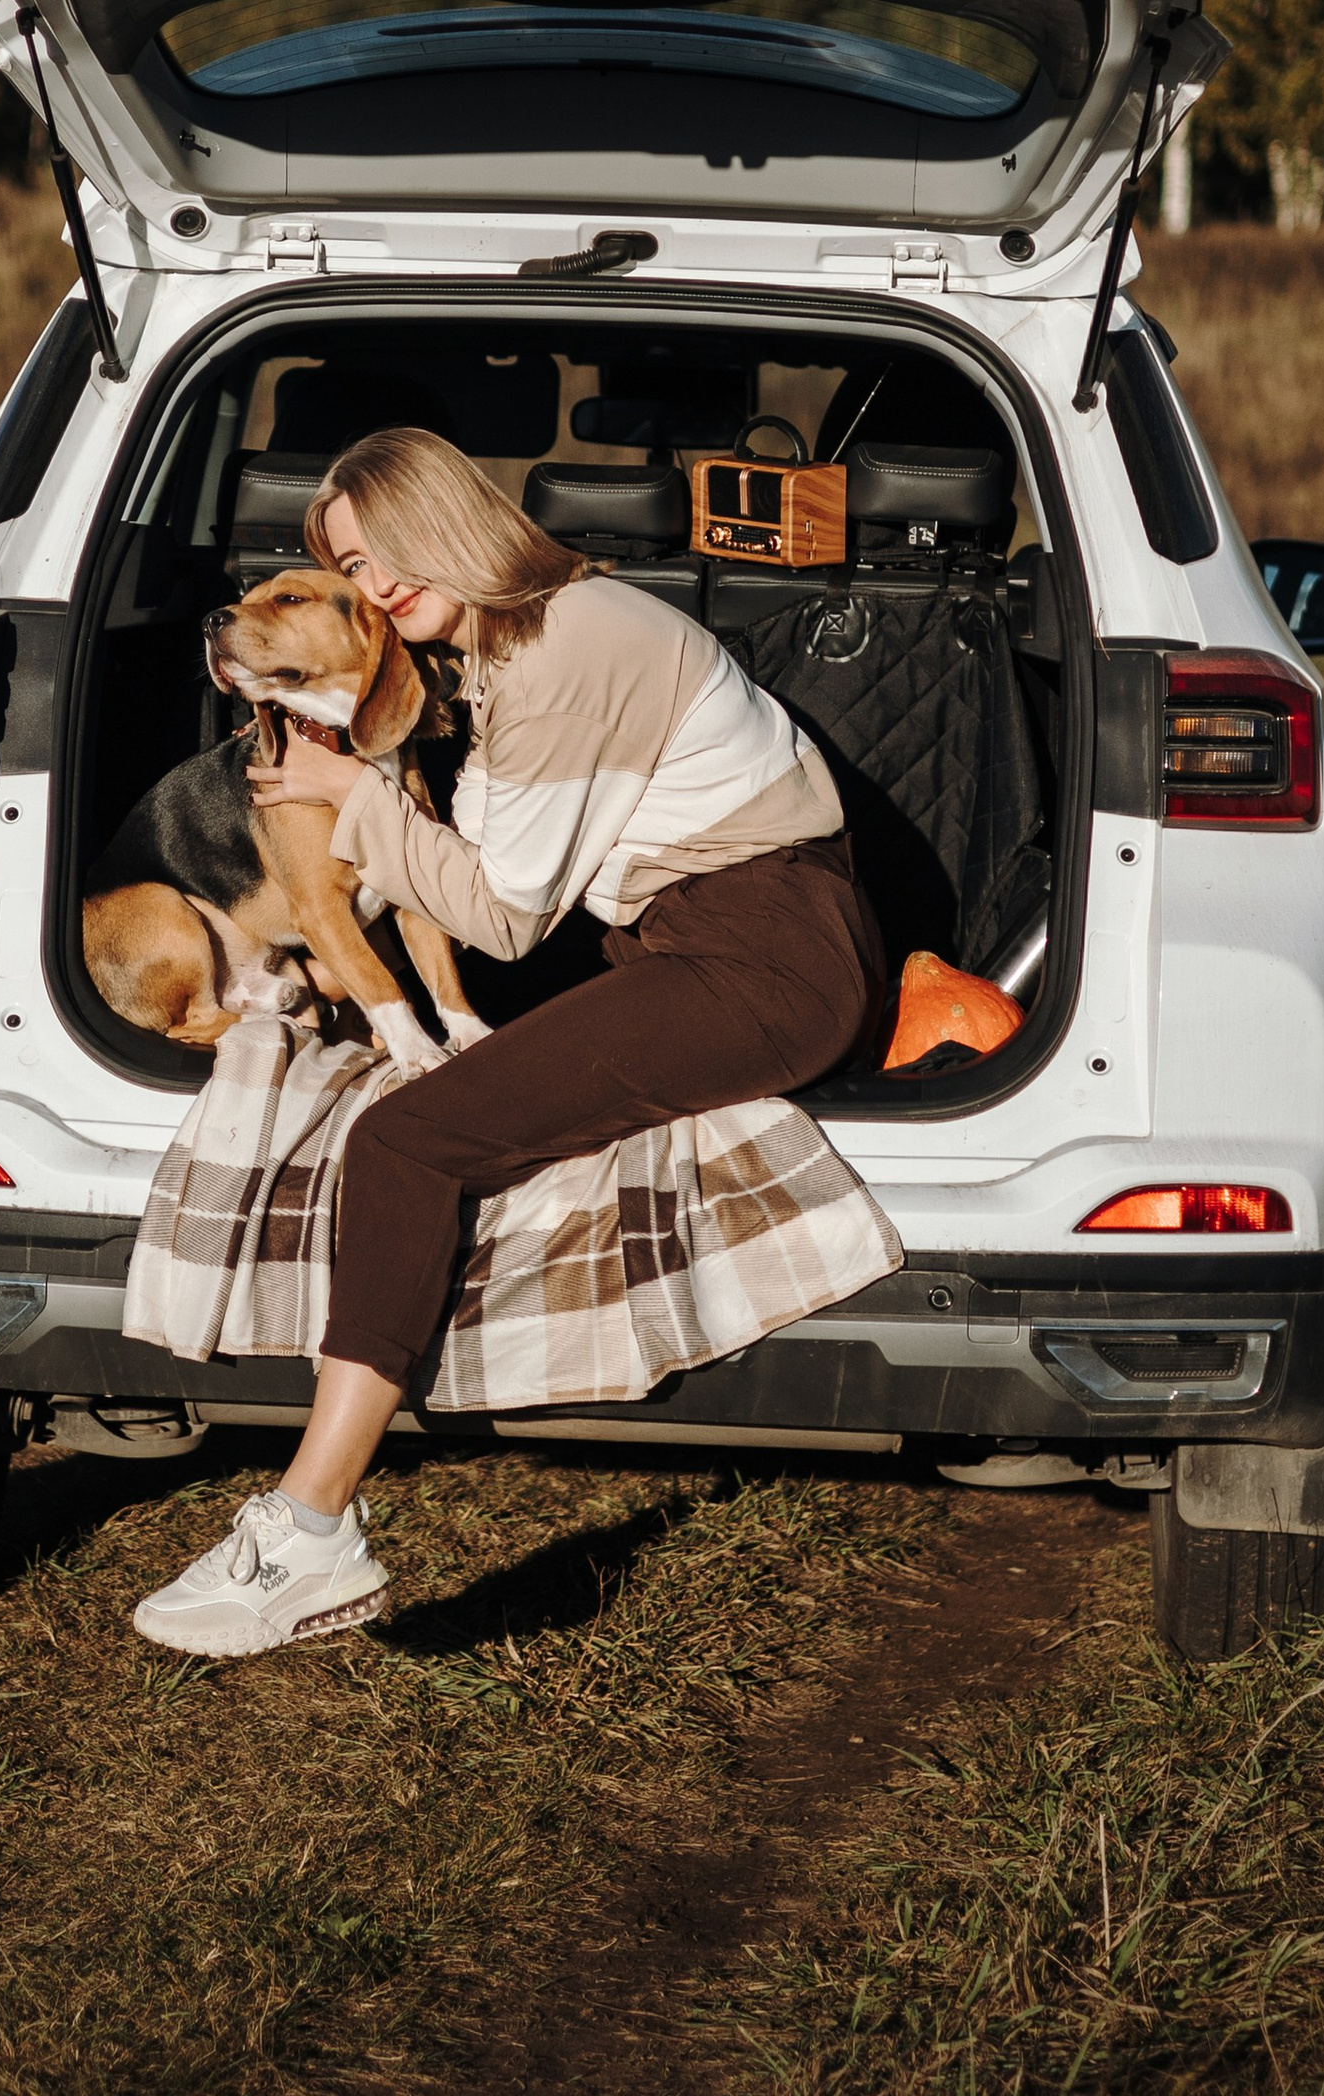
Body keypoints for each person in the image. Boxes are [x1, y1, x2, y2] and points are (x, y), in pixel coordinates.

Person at [130, 425, 888, 1656]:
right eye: (351, 568)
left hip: (761, 955)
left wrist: (352, 797)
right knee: (463, 1104)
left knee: (403, 1140)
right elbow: (472, 871)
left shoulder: (571, 645)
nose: (377, 585)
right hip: (695, 939)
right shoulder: (509, 652)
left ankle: (311, 1526)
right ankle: (309, 1522)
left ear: (449, 521)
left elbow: (501, 914)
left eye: (385, 551)